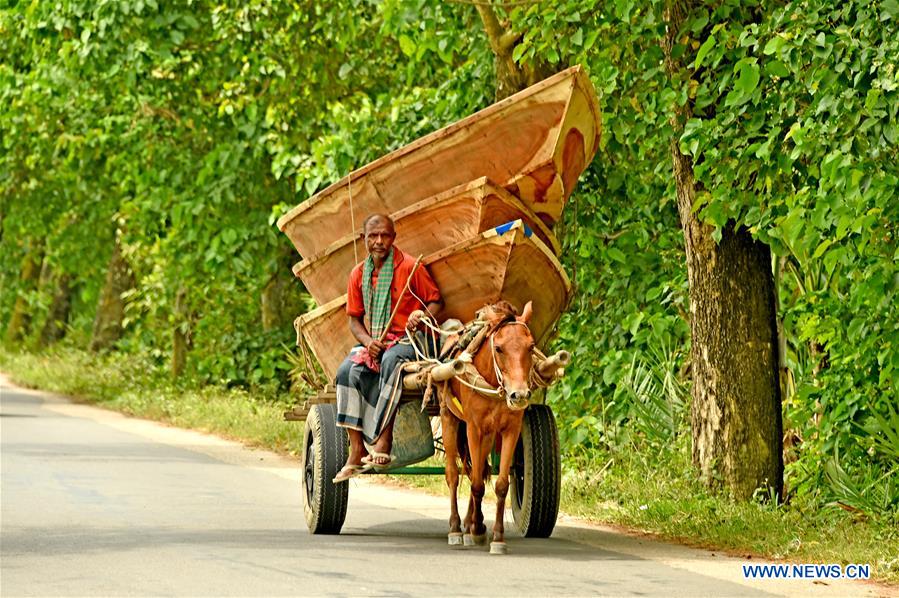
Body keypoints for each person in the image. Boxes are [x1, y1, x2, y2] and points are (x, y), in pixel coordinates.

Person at [332, 214, 443, 483]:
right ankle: (357, 449)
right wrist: (369, 342)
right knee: (346, 371)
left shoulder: (409, 267)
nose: (379, 241)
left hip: (410, 341)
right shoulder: (358, 274)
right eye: (373, 236)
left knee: (392, 360)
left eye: (385, 236)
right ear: (364, 239)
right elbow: (354, 319)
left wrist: (421, 316)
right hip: (376, 341)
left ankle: (384, 440)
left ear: (393, 238)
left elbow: (436, 301)